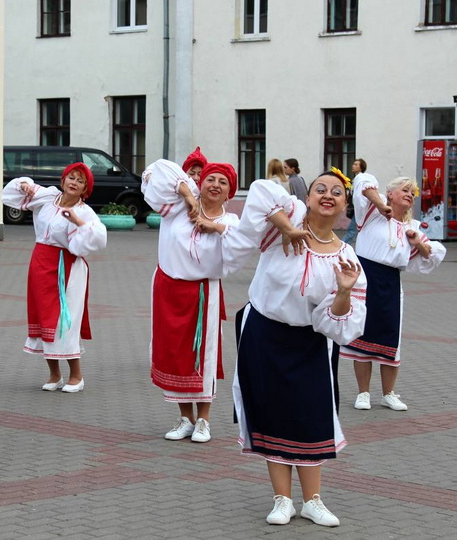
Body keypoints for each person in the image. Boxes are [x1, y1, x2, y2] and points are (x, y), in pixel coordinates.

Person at [224, 169, 367, 527]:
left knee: (311, 415)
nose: (327, 194)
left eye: (337, 191)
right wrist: (287, 228)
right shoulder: (282, 224)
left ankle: (313, 501)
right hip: (264, 333)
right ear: (307, 198)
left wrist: (345, 291)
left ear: (345, 207)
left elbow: (340, 325)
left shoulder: (346, 256)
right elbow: (258, 192)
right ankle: (282, 499)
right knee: (270, 411)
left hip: (310, 343)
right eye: (320, 189)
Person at [142, 159, 240, 444]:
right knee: (174, 353)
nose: (215, 185)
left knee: (203, 355)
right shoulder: (176, 206)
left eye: (223, 183)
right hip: (168, 288)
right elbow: (155, 171)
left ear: (229, 192)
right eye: (211, 179)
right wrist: (187, 194)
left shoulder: (230, 222)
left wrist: (215, 228)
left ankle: (204, 421)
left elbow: (241, 249)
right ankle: (185, 418)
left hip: (202, 292)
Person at [339, 175, 446, 412]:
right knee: (361, 336)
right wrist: (380, 205)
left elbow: (431, 255)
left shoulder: (411, 227)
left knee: (391, 339)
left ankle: (388, 394)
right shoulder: (370, 214)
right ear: (390, 193)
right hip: (365, 279)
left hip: (389, 283)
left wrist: (417, 242)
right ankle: (363, 393)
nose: (410, 195)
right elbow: (362, 182)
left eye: (413, 193)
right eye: (405, 190)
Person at [2, 163, 107, 393]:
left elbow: (99, 239)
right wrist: (24, 184)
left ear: (85, 190)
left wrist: (77, 222)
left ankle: (76, 375)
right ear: (63, 180)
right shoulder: (48, 197)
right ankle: (54, 374)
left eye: (80, 181)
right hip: (40, 261)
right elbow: (11, 195)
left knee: (65, 320)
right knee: (43, 317)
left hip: (67, 266)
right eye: (71, 177)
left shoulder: (85, 212)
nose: (74, 183)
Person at [342, 158, 366, 244]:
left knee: (351, 230)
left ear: (361, 167)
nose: (353, 166)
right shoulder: (356, 178)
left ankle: (342, 246)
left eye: (356, 164)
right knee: (356, 230)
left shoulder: (360, 178)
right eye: (353, 164)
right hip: (356, 207)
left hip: (359, 208)